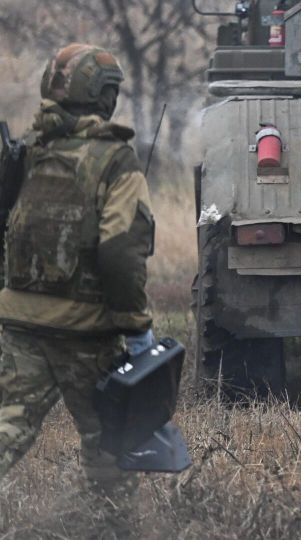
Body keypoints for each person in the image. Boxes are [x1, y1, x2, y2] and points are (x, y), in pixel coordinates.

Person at [0, 44, 156, 500]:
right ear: (105, 97)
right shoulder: (116, 160)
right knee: (110, 446)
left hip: (19, 325)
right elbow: (120, 253)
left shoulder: (27, 151)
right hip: (86, 332)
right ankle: (110, 528)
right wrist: (136, 328)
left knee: (7, 428)